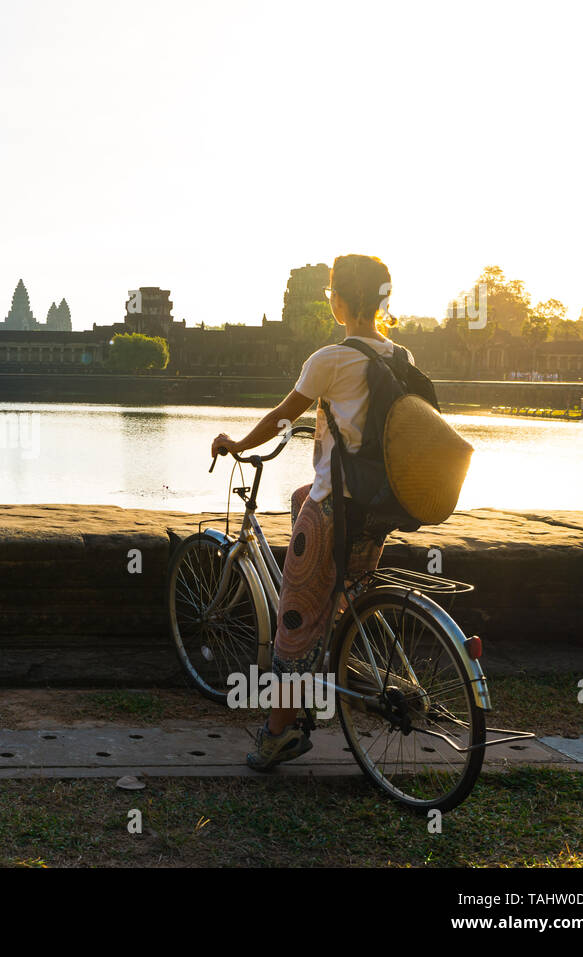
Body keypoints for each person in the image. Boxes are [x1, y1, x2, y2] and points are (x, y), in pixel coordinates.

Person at [210, 254, 394, 770]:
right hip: (377, 509)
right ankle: (331, 648)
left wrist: (237, 443)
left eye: (330, 290)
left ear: (339, 300)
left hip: (335, 507)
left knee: (292, 620)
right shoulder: (396, 357)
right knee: (301, 506)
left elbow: (280, 417)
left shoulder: (331, 358)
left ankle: (278, 734)